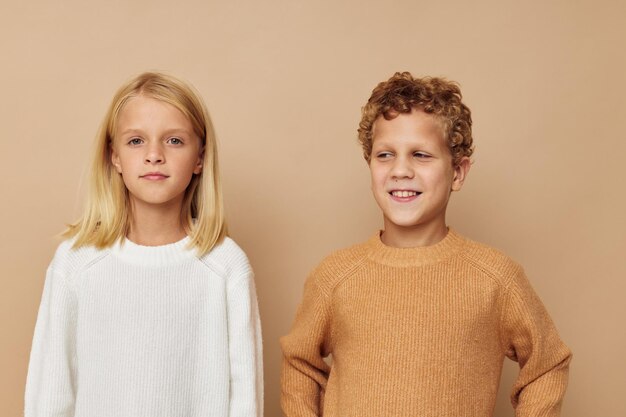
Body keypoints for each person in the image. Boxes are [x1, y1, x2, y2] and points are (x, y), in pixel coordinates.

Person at [280, 72, 571, 417]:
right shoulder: (335, 276)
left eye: (421, 155)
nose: (400, 170)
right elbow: (299, 364)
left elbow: (548, 365)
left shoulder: (496, 278)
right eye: (385, 155)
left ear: (458, 173)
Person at [25, 72, 263, 417]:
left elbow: (245, 398)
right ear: (114, 157)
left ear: (200, 158)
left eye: (174, 141)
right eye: (136, 141)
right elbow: (50, 392)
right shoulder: (75, 263)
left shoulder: (226, 266)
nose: (154, 155)